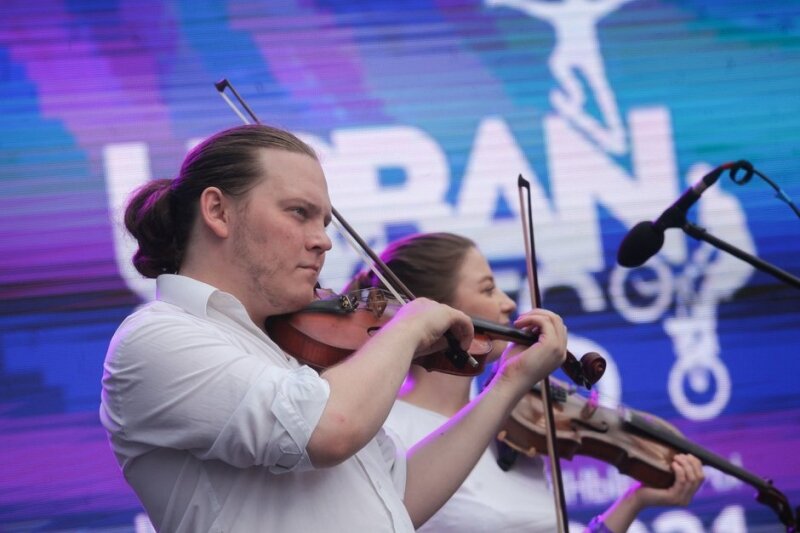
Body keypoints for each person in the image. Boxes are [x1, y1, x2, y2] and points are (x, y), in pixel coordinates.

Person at [99, 124, 572, 532]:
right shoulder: (157, 338)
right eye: (298, 212)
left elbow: (398, 496)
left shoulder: (289, 348)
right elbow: (329, 429)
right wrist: (407, 327)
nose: (323, 240)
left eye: (324, 221)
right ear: (218, 211)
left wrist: (508, 382)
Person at [346, 232, 705, 533]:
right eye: (488, 289)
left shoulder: (515, 429)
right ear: (436, 309)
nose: (507, 303)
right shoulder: (387, 428)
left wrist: (635, 500)